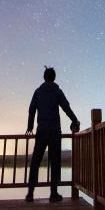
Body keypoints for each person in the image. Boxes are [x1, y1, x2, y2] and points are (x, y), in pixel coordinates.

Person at [25, 66, 79, 202]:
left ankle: (30, 193)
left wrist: (30, 126)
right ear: (54, 78)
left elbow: (31, 109)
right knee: (55, 162)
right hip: (54, 131)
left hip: (41, 131)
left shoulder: (38, 91)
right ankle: (53, 193)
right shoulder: (57, 91)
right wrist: (75, 120)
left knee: (35, 162)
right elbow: (66, 107)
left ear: (44, 77)